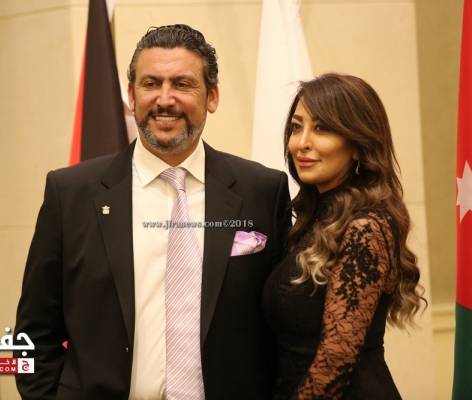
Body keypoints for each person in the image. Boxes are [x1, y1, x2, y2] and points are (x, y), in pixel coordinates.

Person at [15, 24, 291, 400]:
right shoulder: (71, 194)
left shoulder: (261, 191)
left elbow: (283, 331)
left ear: (212, 97)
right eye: (150, 84)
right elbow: (34, 335)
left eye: (182, 84)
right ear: (131, 96)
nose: (165, 99)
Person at [262, 73, 427, 399]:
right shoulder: (311, 221)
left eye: (322, 128)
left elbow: (336, 361)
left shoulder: (367, 227)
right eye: (296, 127)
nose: (301, 143)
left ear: (357, 145)